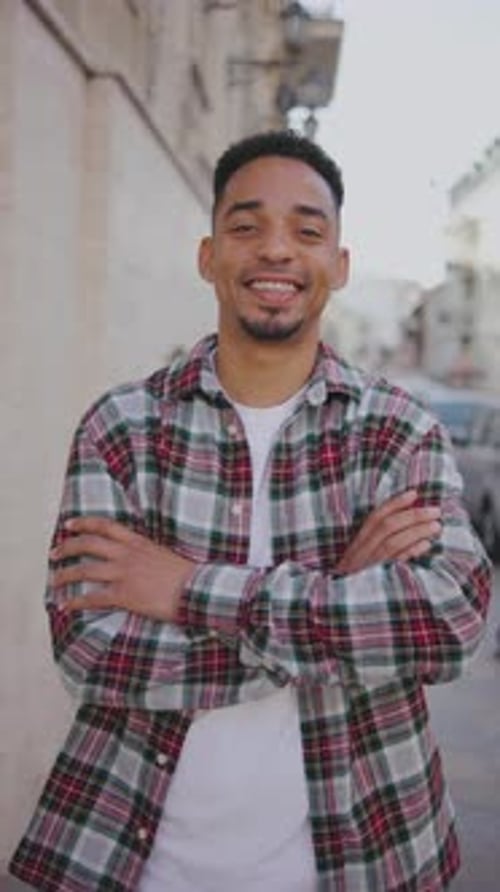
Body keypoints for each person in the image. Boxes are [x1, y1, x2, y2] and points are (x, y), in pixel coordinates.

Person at [10, 130, 491, 892]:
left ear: (338, 264)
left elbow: (450, 620)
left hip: (370, 852)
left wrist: (186, 590)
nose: (275, 251)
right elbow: (91, 650)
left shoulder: (399, 430)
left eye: (306, 231)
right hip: (133, 859)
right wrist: (337, 594)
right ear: (208, 256)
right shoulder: (124, 427)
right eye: (245, 226)